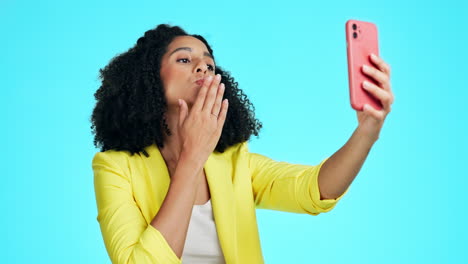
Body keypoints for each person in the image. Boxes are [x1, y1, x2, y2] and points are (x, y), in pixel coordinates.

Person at [90, 24, 394, 264]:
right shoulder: (114, 168)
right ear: (148, 80)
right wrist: (192, 158)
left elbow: (316, 189)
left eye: (209, 65)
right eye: (184, 59)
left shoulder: (235, 161)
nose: (203, 68)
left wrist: (367, 132)